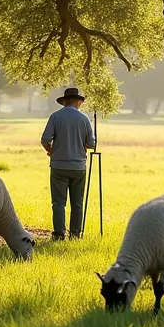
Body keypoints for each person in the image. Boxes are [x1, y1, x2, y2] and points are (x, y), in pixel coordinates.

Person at [40, 87, 96, 239]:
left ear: (65, 101)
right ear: (78, 101)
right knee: (77, 203)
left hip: (58, 166)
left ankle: (59, 234)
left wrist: (51, 151)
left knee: (58, 203)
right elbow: (92, 144)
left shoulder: (55, 117)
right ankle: (75, 234)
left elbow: (45, 140)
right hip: (78, 167)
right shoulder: (84, 119)